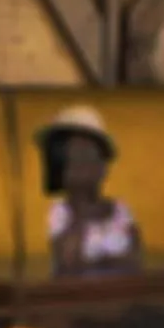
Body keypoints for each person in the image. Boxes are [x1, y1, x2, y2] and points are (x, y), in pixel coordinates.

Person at [35, 107, 142, 277]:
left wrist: (99, 260)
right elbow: (68, 260)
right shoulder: (61, 213)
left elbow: (135, 259)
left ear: (103, 167)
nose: (81, 166)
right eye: (73, 159)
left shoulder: (120, 211)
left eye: (88, 157)